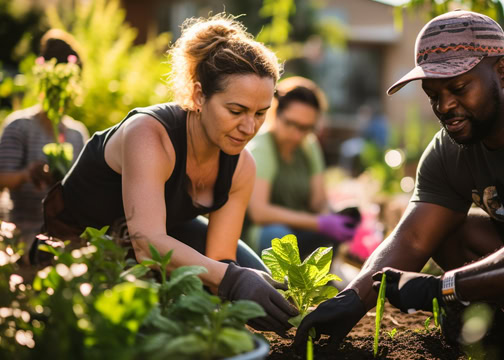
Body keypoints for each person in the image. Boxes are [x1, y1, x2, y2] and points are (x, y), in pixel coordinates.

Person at [294, 10, 504, 350]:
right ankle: (494, 321)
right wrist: (352, 299)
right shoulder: (449, 149)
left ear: (503, 72)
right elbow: (415, 237)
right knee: (450, 231)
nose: (445, 105)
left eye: (459, 87)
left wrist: (447, 287)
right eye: (433, 93)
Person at [37, 14, 298, 335]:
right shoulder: (149, 135)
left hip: (159, 240)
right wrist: (230, 280)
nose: (248, 128)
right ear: (200, 96)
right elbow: (147, 244)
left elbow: (219, 261)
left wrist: (232, 303)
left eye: (260, 114)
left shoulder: (242, 166)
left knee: (253, 276)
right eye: (236, 111)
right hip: (80, 245)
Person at [245, 76, 357, 258]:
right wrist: (318, 223)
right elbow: (259, 212)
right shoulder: (262, 146)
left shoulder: (308, 145)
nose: (297, 135)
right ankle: (276, 284)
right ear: (276, 114)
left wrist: (332, 218)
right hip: (262, 234)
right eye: (291, 124)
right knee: (278, 236)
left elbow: (318, 202)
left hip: (299, 228)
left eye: (306, 128)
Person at [0, 29, 89, 251]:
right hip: (21, 232)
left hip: (65, 236)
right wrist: (27, 174)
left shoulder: (77, 133)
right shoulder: (19, 125)